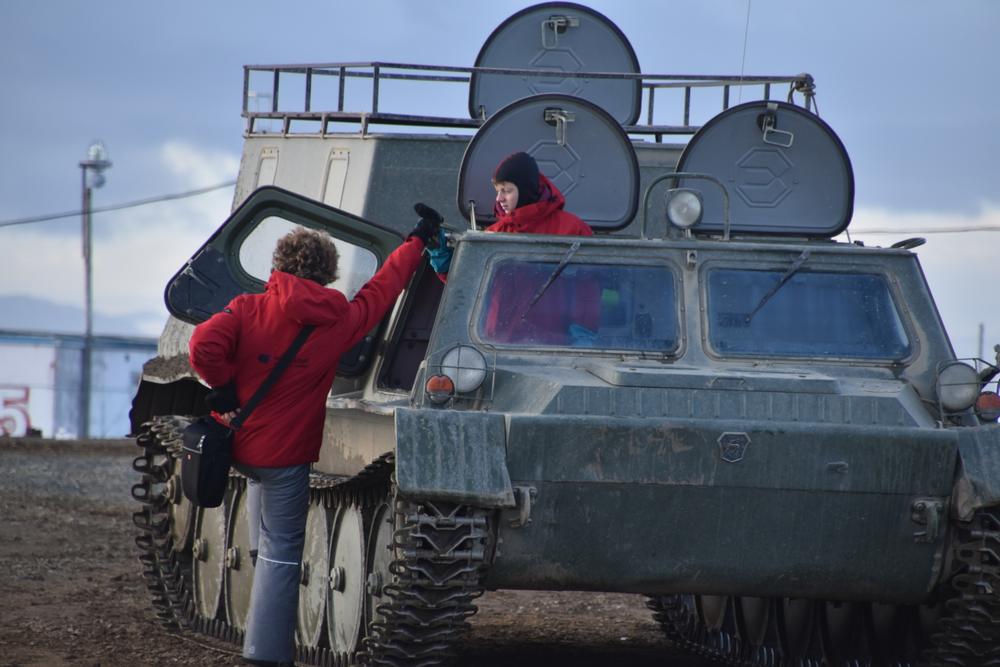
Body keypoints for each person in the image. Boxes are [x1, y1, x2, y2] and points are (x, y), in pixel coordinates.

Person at [187, 207, 440, 667]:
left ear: (279, 264)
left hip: (237, 443)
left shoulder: (248, 307)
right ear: (327, 274)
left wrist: (222, 386)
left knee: (265, 518)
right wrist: (416, 242)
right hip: (284, 456)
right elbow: (381, 292)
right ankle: (265, 653)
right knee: (284, 550)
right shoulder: (338, 320)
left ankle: (256, 557)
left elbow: (202, 345)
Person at [425, 151, 591, 274]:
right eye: (498, 191)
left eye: (506, 190)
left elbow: (595, 282)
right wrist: (446, 264)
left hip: (559, 321)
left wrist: (586, 321)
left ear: (526, 190)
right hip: (501, 323)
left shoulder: (573, 230)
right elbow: (470, 286)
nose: (499, 198)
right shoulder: (494, 234)